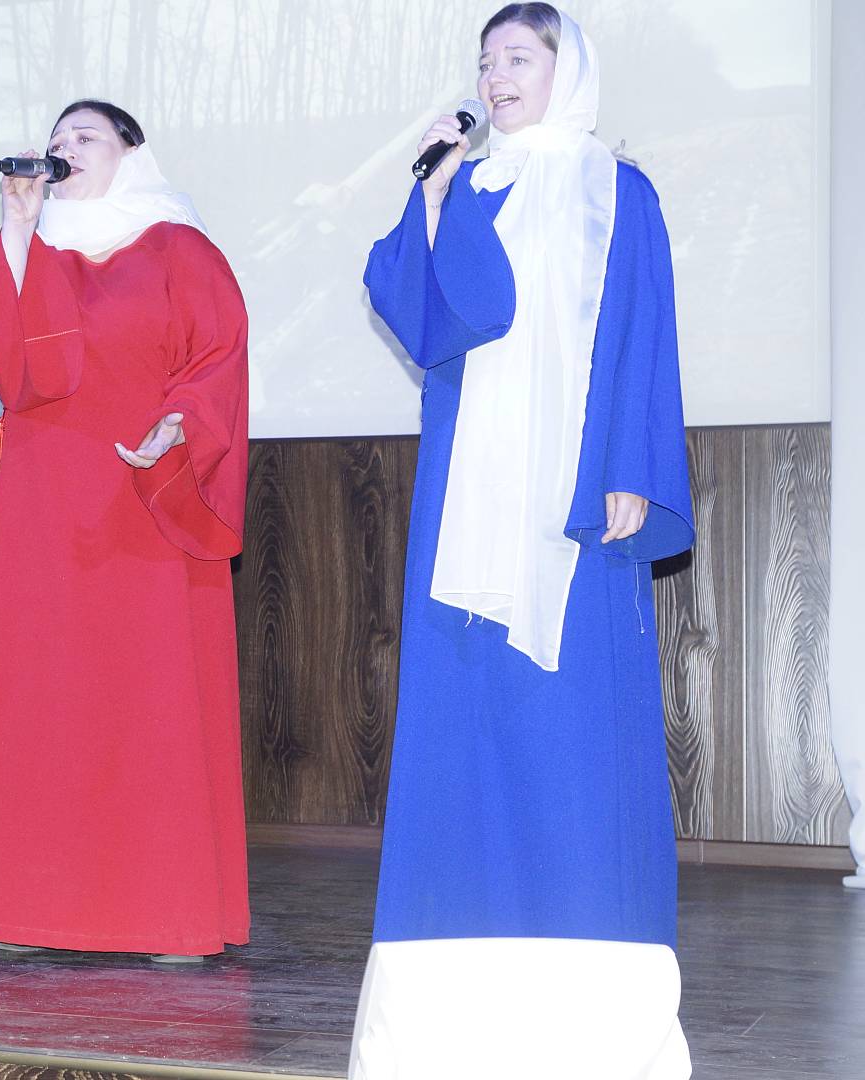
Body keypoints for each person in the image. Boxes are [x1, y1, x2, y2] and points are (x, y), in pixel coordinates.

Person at [350, 6, 694, 1075]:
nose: (494, 77)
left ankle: (592, 991)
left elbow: (642, 332)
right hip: (467, 500)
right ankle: (447, 997)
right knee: (465, 722)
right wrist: (432, 196)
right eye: (484, 61)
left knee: (572, 726)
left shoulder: (615, 187)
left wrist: (632, 465)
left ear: (563, 69)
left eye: (516, 58)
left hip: (575, 496)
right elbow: (445, 319)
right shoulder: (469, 185)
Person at [0, 100, 250, 961]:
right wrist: (17, 230)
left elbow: (216, 355)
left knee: (150, 698)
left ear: (129, 152)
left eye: (85, 138)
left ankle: (166, 913)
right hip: (42, 502)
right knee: (42, 696)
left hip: (146, 491)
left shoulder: (178, 245)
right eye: (56, 141)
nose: (64, 150)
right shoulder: (35, 248)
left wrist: (180, 422)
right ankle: (21, 905)